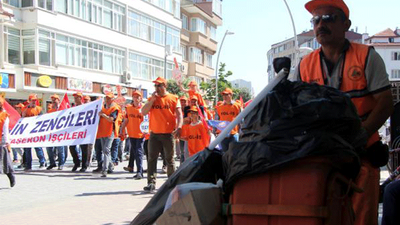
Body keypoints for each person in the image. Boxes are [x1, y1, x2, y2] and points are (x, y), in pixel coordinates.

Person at [291, 1, 394, 224]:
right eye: (316, 20)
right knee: (324, 215)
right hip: (322, 157)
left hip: (362, 155)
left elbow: (385, 103)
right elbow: (294, 110)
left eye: (328, 18)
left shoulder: (366, 56)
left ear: (346, 24)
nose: (320, 25)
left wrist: (362, 135)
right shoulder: (304, 66)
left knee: (361, 217)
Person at [141, 77, 183, 192]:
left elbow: (179, 114)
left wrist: (179, 127)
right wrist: (151, 101)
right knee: (151, 159)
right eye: (155, 86)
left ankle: (171, 183)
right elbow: (143, 111)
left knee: (169, 160)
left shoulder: (174, 98)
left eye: (159, 85)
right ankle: (151, 183)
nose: (157, 88)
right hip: (154, 134)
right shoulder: (152, 99)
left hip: (168, 134)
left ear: (165, 86)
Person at [95, 92, 121, 177]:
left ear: (112, 99)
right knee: (105, 150)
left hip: (110, 131)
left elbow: (111, 119)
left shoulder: (115, 108)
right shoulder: (103, 107)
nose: (107, 100)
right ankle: (110, 166)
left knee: (106, 149)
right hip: (102, 131)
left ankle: (104, 170)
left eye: (109, 98)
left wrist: (103, 115)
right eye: (106, 98)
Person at [121, 90, 144, 179]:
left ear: (140, 99)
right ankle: (138, 170)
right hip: (131, 134)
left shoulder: (143, 109)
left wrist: (147, 133)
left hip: (140, 135)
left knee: (139, 152)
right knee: (135, 152)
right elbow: (126, 120)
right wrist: (121, 129)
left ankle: (139, 172)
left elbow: (147, 122)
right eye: (134, 97)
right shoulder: (129, 108)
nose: (136, 98)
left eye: (137, 97)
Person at [22, 94, 47, 171]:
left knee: (38, 147)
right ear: (29, 101)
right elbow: (22, 119)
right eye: (32, 100)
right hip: (27, 132)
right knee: (27, 149)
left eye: (35, 100)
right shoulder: (25, 110)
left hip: (36, 132)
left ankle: (42, 162)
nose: (34, 102)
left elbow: (43, 119)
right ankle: (28, 165)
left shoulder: (39, 109)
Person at [215, 88, 241, 152]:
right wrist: (216, 132)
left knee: (235, 154)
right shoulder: (219, 107)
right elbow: (216, 121)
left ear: (231, 95)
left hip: (234, 134)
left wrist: (241, 133)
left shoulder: (237, 106)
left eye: (226, 95)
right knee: (224, 154)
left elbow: (242, 120)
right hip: (223, 134)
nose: (224, 97)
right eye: (223, 95)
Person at [46, 94, 66, 170]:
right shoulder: (50, 111)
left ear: (59, 100)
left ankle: (61, 164)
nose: (53, 101)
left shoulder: (62, 109)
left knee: (60, 149)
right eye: (52, 100)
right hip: (52, 132)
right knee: (49, 148)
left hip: (60, 132)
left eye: (55, 99)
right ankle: (52, 163)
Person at [0, 96, 16, 187]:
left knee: (6, 162)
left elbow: (6, 131)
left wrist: (7, 143)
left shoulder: (5, 115)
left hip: (1, 141)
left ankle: (11, 175)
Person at [69, 92, 84, 171]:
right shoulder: (73, 108)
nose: (75, 99)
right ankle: (76, 162)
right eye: (74, 98)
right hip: (74, 131)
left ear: (80, 98)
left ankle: (84, 166)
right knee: (71, 147)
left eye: (76, 97)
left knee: (84, 148)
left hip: (83, 130)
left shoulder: (86, 107)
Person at [79, 95, 93, 172]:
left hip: (89, 132)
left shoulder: (92, 108)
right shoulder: (81, 109)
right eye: (84, 100)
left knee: (88, 149)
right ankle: (84, 164)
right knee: (83, 149)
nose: (85, 101)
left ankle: (86, 163)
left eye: (87, 100)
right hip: (82, 132)